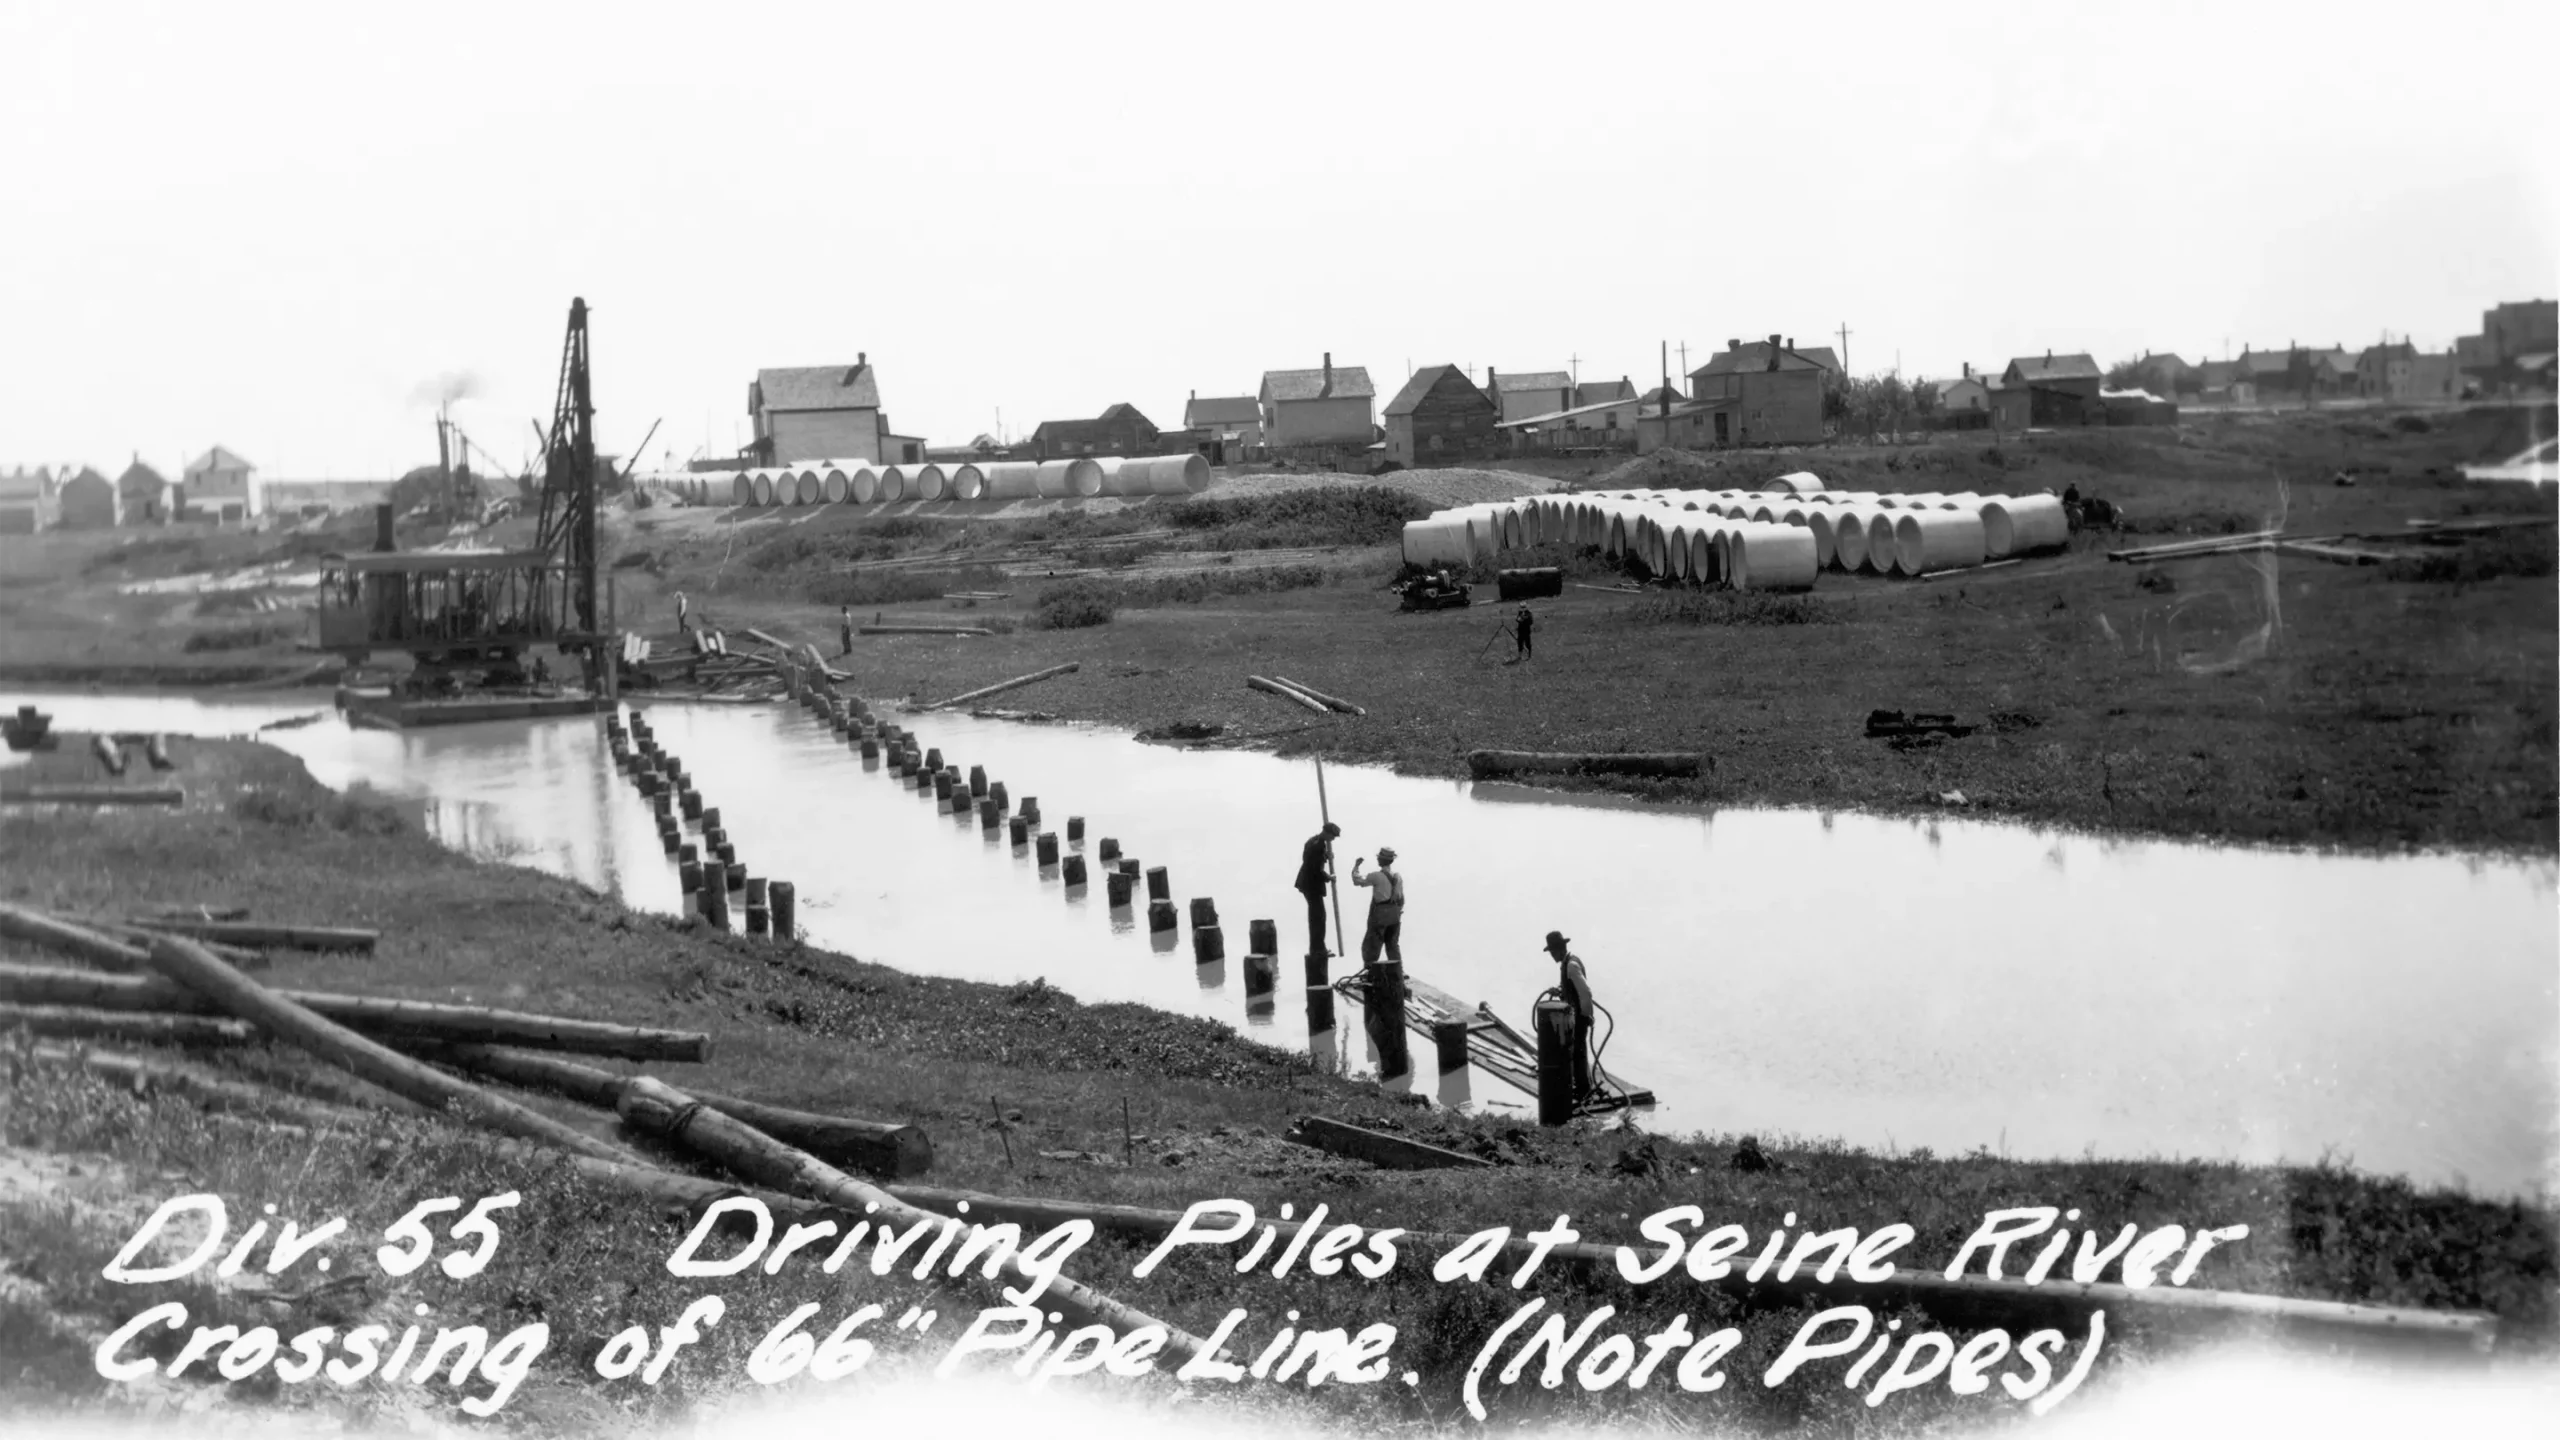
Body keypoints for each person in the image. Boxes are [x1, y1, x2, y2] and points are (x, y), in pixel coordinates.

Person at [1544, 930, 1595, 1104]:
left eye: (1552, 952)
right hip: (1575, 1016)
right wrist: (1559, 992)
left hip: (1579, 1016)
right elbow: (1572, 990)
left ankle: (1584, 1092)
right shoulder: (1566, 965)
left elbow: (1585, 993)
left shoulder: (1571, 965)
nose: (1551, 955)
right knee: (1576, 1052)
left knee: (1578, 1053)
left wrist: (1586, 1016)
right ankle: (1582, 1088)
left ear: (1559, 949)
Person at [1351, 847, 1404, 969]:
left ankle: (1369, 971)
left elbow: (1357, 880)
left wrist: (1356, 866)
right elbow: (1402, 899)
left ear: (1380, 860)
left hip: (1380, 914)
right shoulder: (1398, 876)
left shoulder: (1376, 876)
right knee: (1392, 945)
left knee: (1372, 944)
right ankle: (1398, 972)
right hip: (1395, 914)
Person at [1294, 822, 1341, 959]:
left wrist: (1326, 856)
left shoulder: (1314, 841)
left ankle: (1317, 948)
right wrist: (1329, 877)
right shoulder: (1319, 845)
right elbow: (1315, 868)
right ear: (1327, 832)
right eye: (1333, 836)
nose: (1334, 839)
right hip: (1311, 884)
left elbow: (1311, 859)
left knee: (1317, 917)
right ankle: (1318, 949)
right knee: (1318, 918)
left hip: (1307, 883)